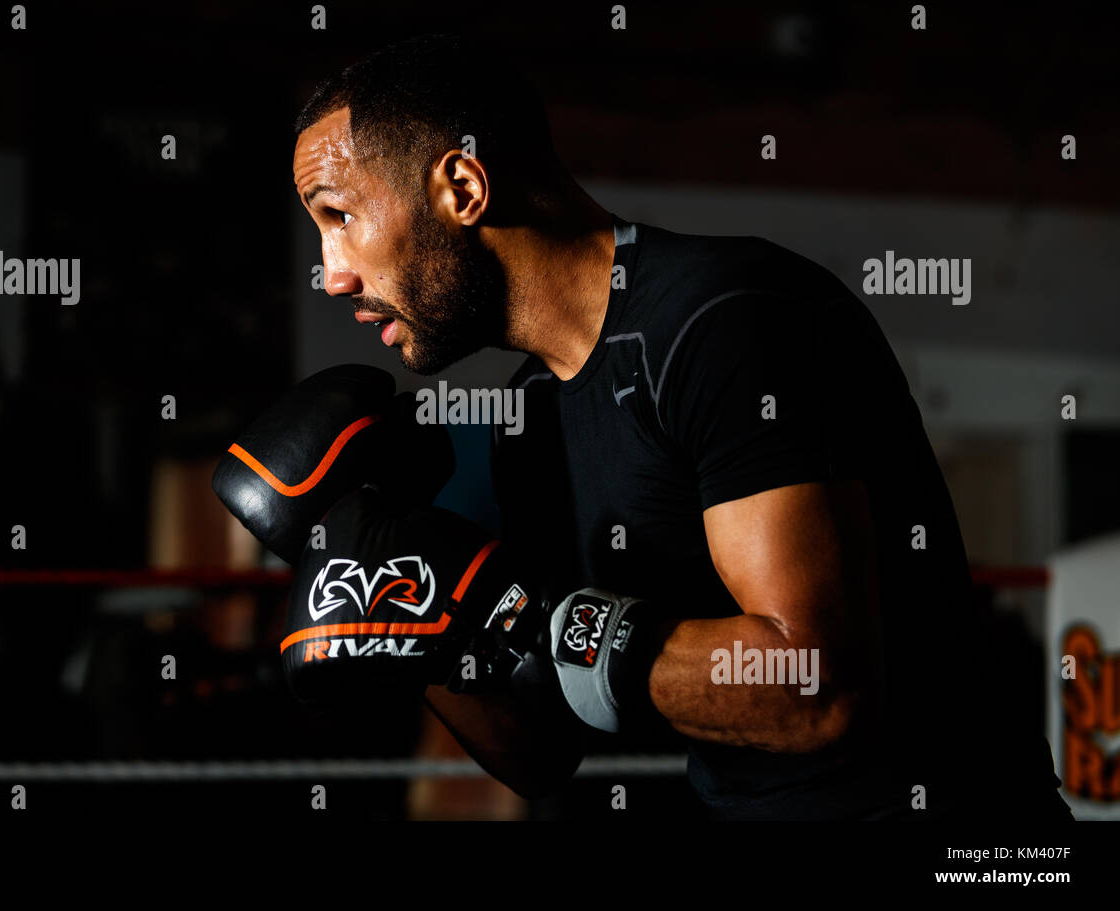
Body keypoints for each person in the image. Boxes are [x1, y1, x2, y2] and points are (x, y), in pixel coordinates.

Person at [286, 32, 1071, 820]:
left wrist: (510, 613)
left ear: (462, 185)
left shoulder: (725, 320)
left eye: (340, 215)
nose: (333, 271)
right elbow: (540, 752)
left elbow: (816, 687)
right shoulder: (528, 419)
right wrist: (409, 605)